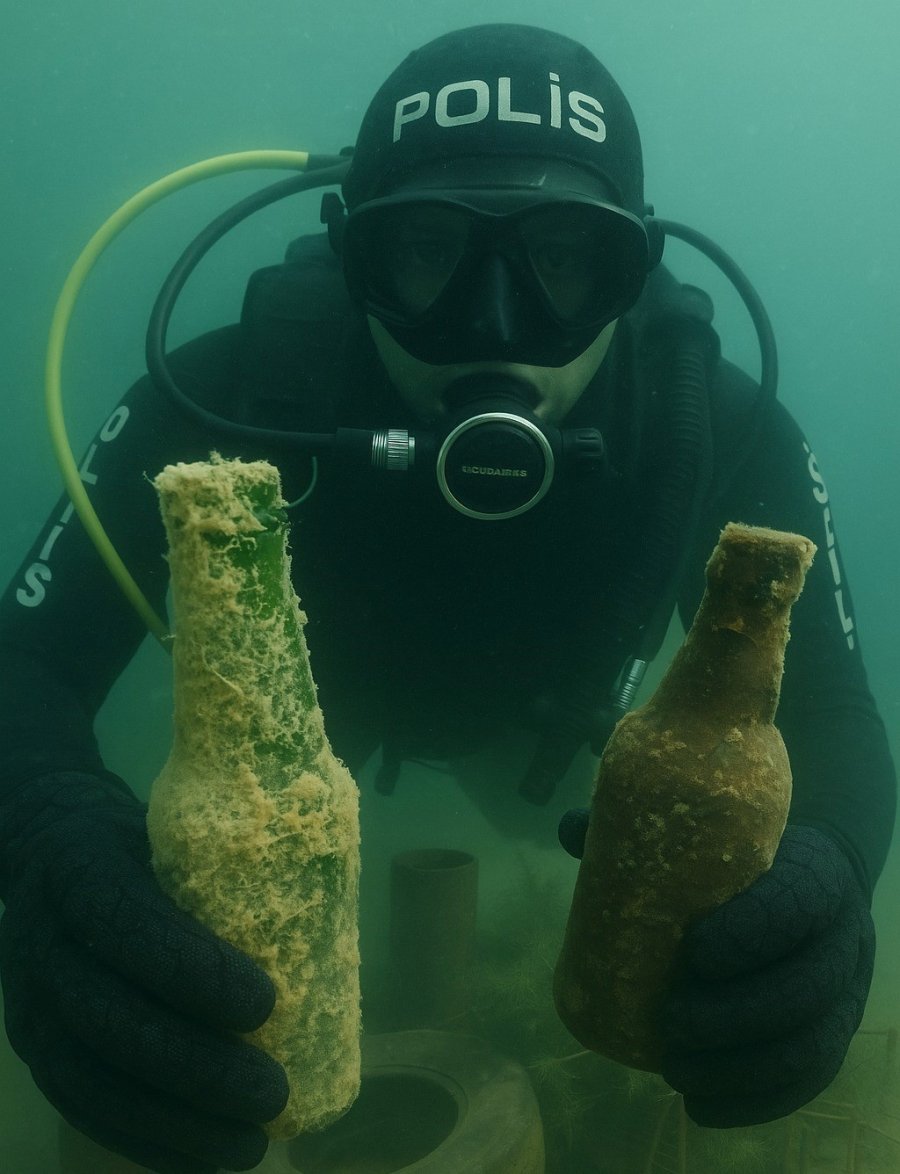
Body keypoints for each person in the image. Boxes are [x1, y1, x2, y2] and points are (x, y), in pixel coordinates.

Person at [0, 21, 895, 1174]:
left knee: (570, 844)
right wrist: (45, 835)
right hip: (331, 737)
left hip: (547, 739)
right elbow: (25, 663)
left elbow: (833, 712)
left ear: (630, 272)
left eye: (563, 258)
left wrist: (832, 871)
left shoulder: (711, 428)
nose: (496, 324)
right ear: (355, 259)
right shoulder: (226, 396)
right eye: (426, 251)